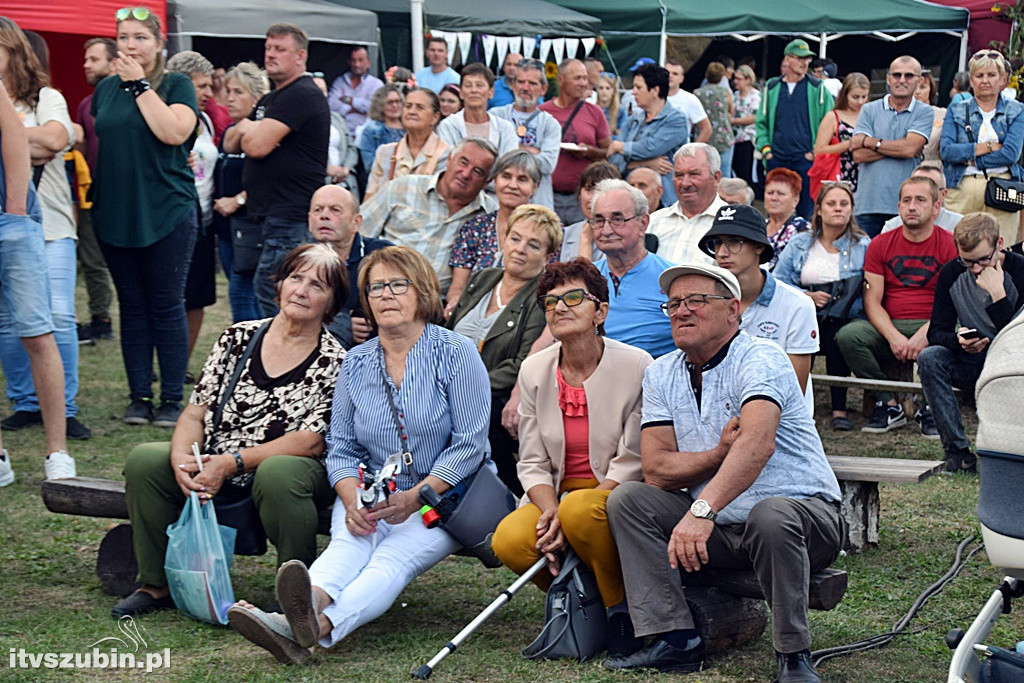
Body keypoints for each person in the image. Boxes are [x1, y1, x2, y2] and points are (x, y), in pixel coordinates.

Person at [227, 246, 492, 664]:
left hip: (443, 499)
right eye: (375, 288)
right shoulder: (355, 362)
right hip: (372, 490)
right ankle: (300, 612)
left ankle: (312, 629)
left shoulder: (457, 353)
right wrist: (350, 498)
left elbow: (469, 444)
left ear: (422, 291)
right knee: (346, 548)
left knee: (390, 560)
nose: (385, 295)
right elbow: (342, 446)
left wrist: (416, 496)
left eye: (397, 285)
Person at [603, 262, 843, 682]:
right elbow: (657, 469)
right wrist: (717, 454)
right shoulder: (662, 372)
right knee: (630, 500)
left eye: (697, 300)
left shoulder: (762, 357)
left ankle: (794, 656)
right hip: (721, 528)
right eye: (674, 303)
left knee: (771, 514)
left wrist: (700, 511)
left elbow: (757, 443)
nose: (681, 311)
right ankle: (675, 638)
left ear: (734, 310)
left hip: (804, 521)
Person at [112, 244, 347, 618]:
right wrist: (182, 458)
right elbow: (195, 411)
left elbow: (311, 440)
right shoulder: (238, 337)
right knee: (145, 459)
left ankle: (295, 593)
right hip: (218, 458)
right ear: (280, 285)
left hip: (285, 466)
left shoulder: (337, 360)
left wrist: (231, 463)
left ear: (332, 303)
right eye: (295, 278)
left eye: (317, 285)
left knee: (278, 473)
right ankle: (155, 585)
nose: (302, 290)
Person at [491, 257, 653, 656]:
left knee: (581, 510)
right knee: (509, 539)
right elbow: (530, 460)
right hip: (556, 495)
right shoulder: (533, 370)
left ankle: (623, 613)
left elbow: (633, 457)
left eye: (574, 298)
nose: (559, 307)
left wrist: (568, 511)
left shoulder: (636, 365)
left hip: (617, 491)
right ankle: (583, 601)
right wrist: (549, 512)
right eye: (550, 301)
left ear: (601, 310)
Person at [91, 6, 199, 427]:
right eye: (123, 37)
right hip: (116, 211)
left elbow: (174, 133)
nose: (130, 45)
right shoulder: (105, 89)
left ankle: (172, 399)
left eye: (140, 37)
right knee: (132, 307)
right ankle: (139, 396)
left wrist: (139, 85)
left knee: (166, 304)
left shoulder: (176, 84)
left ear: (158, 44)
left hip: (166, 210)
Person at [0, 19, 89, 444]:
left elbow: (55, 140)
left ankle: (64, 409)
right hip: (14, 223)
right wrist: (22, 144)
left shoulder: (46, 97)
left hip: (48, 221)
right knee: (6, 321)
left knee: (54, 317)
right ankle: (25, 402)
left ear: (13, 50)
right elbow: (42, 144)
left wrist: (13, 138)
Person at [446, 205, 562, 493]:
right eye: (515, 238)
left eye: (532, 245)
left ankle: (506, 495)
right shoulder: (482, 278)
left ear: (548, 257)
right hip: (445, 387)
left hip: (491, 397)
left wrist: (463, 386)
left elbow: (522, 362)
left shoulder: (542, 297)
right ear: (504, 239)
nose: (520, 249)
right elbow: (446, 336)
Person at [836, 175, 958, 433]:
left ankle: (931, 408)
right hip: (889, 323)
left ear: (936, 208)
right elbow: (872, 300)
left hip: (933, 324)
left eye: (920, 200)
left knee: (949, 340)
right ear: (899, 206)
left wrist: (925, 335)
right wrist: (895, 338)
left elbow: (953, 303)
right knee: (849, 336)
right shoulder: (881, 244)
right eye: (906, 200)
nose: (912, 206)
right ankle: (888, 404)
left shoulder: (950, 244)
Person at [225, 23, 330, 318]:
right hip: (270, 216)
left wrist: (249, 128)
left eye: (279, 49)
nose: (270, 55)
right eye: (268, 48)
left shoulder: (301, 94)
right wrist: (250, 128)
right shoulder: (273, 99)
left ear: (300, 56)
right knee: (268, 289)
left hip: (290, 215)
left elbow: (255, 146)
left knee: (277, 292)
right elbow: (231, 142)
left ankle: (288, 357)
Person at [920, 213, 1024, 473]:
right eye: (968, 262)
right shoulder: (952, 273)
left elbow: (1018, 338)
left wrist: (998, 294)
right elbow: (937, 332)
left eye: (983, 260)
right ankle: (957, 453)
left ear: (999, 243)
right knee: (930, 358)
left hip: (1014, 365)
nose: (976, 268)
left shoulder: (1020, 270)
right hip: (974, 360)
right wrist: (958, 342)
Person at [698, 204, 819, 415]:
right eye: (716, 243)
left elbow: (793, 390)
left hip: (781, 424)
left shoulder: (797, 304)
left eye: (734, 242)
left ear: (759, 247)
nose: (721, 252)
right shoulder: (706, 301)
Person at [773, 182, 871, 429]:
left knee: (837, 333)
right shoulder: (799, 243)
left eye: (843, 204)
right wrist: (805, 295)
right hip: (806, 312)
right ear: (818, 210)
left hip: (847, 313)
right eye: (831, 204)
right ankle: (792, 405)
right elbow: (778, 280)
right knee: (803, 329)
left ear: (851, 209)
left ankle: (839, 411)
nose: (837, 209)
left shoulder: (862, 245)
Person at [360, 136, 498, 292]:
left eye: (478, 171)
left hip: (435, 307)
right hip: (379, 292)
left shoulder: (488, 216)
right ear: (449, 159)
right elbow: (358, 233)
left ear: (487, 181)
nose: (466, 174)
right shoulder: (403, 187)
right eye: (463, 162)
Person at [166, 51, 219, 372]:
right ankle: (164, 362)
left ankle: (180, 364)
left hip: (202, 219)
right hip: (172, 218)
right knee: (170, 296)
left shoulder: (206, 120)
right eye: (201, 86)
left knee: (197, 297)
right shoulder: (163, 117)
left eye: (210, 85)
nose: (209, 93)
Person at [941, 50, 1024, 245]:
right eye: (979, 76)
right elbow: (946, 151)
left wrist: (969, 158)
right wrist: (986, 147)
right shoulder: (956, 109)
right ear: (971, 80)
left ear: (1002, 79)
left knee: (1001, 250)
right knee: (957, 249)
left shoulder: (1017, 110)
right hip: (961, 187)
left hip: (1003, 189)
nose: (985, 81)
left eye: (991, 75)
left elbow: (1011, 154)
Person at [446, 150, 542, 310]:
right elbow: (457, 286)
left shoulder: (546, 233)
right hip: (472, 310)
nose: (512, 185)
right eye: (506, 176)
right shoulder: (475, 227)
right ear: (495, 181)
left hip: (522, 316)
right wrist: (456, 303)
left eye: (522, 179)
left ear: (535, 187)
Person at [591, 179, 675, 357]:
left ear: (643, 223)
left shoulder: (672, 279)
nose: (606, 230)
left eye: (617, 220)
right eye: (599, 220)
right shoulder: (584, 278)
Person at [851, 56, 932, 238]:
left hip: (907, 207)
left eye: (909, 76)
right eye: (896, 75)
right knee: (864, 263)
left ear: (919, 81)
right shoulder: (869, 109)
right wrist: (901, 146)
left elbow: (909, 149)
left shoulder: (925, 112)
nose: (902, 80)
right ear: (888, 79)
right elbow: (858, 155)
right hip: (867, 205)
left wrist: (870, 142)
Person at [212, 62, 268, 324]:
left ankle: (248, 353)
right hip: (226, 228)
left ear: (256, 98)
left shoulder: (263, 132)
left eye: (238, 92)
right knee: (244, 293)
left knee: (242, 293)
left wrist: (239, 199)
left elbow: (272, 178)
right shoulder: (228, 133)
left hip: (251, 226)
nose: (230, 98)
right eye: (228, 91)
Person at [755, 39, 834, 219]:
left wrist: (814, 153)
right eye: (800, 58)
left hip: (805, 159)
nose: (805, 62)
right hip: (777, 157)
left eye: (807, 59)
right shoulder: (772, 87)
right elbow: (761, 122)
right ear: (788, 59)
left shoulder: (818, 88)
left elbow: (830, 124)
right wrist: (767, 151)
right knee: (775, 209)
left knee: (805, 211)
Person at [308, 184, 392, 349]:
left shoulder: (382, 255)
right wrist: (341, 325)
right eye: (318, 210)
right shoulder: (298, 262)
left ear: (356, 222)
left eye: (335, 210)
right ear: (309, 220)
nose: (324, 216)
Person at [74, 37, 115, 344]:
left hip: (129, 195)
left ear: (113, 62)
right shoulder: (86, 105)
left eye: (93, 59)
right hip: (93, 194)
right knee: (91, 258)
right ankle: (101, 318)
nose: (86, 65)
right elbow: (86, 151)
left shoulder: (135, 97)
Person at [541, 59, 612, 226]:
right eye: (577, 78)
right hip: (547, 195)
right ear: (560, 80)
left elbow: (609, 152)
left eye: (585, 78)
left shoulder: (594, 112)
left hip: (581, 200)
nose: (583, 84)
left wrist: (589, 152)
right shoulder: (543, 112)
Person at [608, 63, 689, 207]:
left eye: (638, 87)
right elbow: (614, 159)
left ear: (655, 90)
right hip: (628, 197)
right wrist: (645, 163)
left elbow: (650, 148)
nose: (633, 92)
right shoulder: (633, 120)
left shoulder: (675, 120)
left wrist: (620, 147)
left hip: (662, 202)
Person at [489, 58, 561, 209]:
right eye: (521, 82)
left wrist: (509, 150)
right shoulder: (496, 116)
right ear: (513, 85)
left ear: (544, 89)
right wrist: (532, 151)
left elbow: (547, 165)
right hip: (497, 205)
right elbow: (491, 159)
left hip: (537, 207)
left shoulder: (551, 124)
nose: (525, 88)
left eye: (532, 83)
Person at [647, 143, 725, 265]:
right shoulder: (654, 221)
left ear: (716, 177)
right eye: (679, 175)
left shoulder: (733, 223)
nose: (685, 183)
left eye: (694, 174)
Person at [365, 87, 448, 200]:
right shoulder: (385, 152)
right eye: (408, 106)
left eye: (420, 107)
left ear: (435, 117)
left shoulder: (447, 156)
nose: (412, 112)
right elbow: (369, 199)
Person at [437, 63, 517, 164]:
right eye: (468, 85)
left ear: (491, 92)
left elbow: (510, 164)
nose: (474, 90)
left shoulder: (505, 128)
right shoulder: (448, 126)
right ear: (461, 93)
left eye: (480, 85)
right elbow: (445, 163)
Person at [813, 72, 870, 193]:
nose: (860, 102)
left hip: (867, 177)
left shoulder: (870, 116)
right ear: (845, 95)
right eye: (855, 97)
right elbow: (819, 150)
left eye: (864, 97)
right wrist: (849, 144)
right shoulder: (833, 117)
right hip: (840, 177)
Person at [560, 160, 620, 261]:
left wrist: (586, 241)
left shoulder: (624, 237)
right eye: (589, 189)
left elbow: (587, 277)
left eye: (600, 190)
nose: (593, 198)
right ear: (579, 194)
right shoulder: (564, 235)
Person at [880, 162, 962, 234]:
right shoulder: (892, 227)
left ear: (943, 194)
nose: (912, 206)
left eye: (931, 187)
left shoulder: (959, 225)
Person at [327, 46, 383, 136]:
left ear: (368, 62)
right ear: (349, 62)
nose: (357, 64)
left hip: (368, 136)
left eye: (361, 60)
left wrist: (349, 100)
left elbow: (375, 108)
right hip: (342, 135)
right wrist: (354, 109)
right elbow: (331, 105)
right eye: (353, 60)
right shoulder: (340, 82)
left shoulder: (376, 84)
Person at [763, 168, 811, 268]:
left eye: (780, 194)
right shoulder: (758, 226)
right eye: (770, 193)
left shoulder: (802, 228)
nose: (774, 198)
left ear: (795, 200)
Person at [695, 62, 735, 179]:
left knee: (705, 174)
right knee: (724, 174)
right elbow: (731, 111)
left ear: (706, 75)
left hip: (705, 139)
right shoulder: (725, 92)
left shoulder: (697, 93)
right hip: (725, 137)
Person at [356, 85, 405, 175]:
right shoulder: (371, 131)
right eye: (390, 102)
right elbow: (370, 165)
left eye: (398, 101)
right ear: (380, 105)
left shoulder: (410, 128)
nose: (395, 105)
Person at [664, 60, 712, 143]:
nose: (670, 76)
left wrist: (691, 150)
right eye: (667, 73)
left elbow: (707, 129)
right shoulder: (652, 96)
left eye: (675, 74)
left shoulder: (690, 99)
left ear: (681, 78)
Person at [730, 64, 761, 190]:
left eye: (739, 79)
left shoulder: (755, 96)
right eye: (735, 78)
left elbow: (755, 117)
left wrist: (734, 121)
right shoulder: (735, 95)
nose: (735, 81)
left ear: (748, 79)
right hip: (734, 138)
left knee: (745, 171)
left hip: (747, 139)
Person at [916, 70, 945, 161]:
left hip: (934, 166)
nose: (917, 92)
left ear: (931, 89)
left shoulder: (943, 114)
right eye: (914, 87)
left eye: (922, 87)